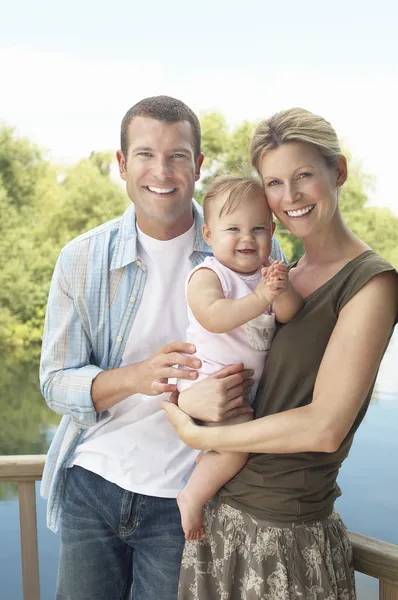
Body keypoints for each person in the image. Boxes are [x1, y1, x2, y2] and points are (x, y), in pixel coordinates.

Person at [39, 95, 286, 600]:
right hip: (94, 482)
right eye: (146, 154)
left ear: (197, 166)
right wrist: (144, 380)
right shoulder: (81, 259)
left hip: (188, 494)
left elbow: (281, 366)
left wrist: (213, 406)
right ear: (123, 165)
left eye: (177, 155)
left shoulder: (250, 244)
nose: (162, 170)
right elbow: (55, 382)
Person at [162, 107, 398, 600]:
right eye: (274, 182)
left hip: (283, 533)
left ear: (339, 172)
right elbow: (233, 361)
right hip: (221, 518)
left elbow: (324, 426)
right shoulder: (278, 270)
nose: (289, 197)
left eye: (303, 176)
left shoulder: (371, 284)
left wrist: (190, 433)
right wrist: (190, 404)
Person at [176, 174, 303, 541]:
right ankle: (191, 497)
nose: (247, 238)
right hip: (208, 382)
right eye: (233, 228)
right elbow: (214, 318)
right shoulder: (208, 274)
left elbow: (289, 314)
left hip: (238, 392)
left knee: (233, 444)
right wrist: (262, 297)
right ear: (209, 235)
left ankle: (207, 462)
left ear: (273, 232)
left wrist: (281, 289)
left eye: (258, 228)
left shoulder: (265, 277)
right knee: (236, 450)